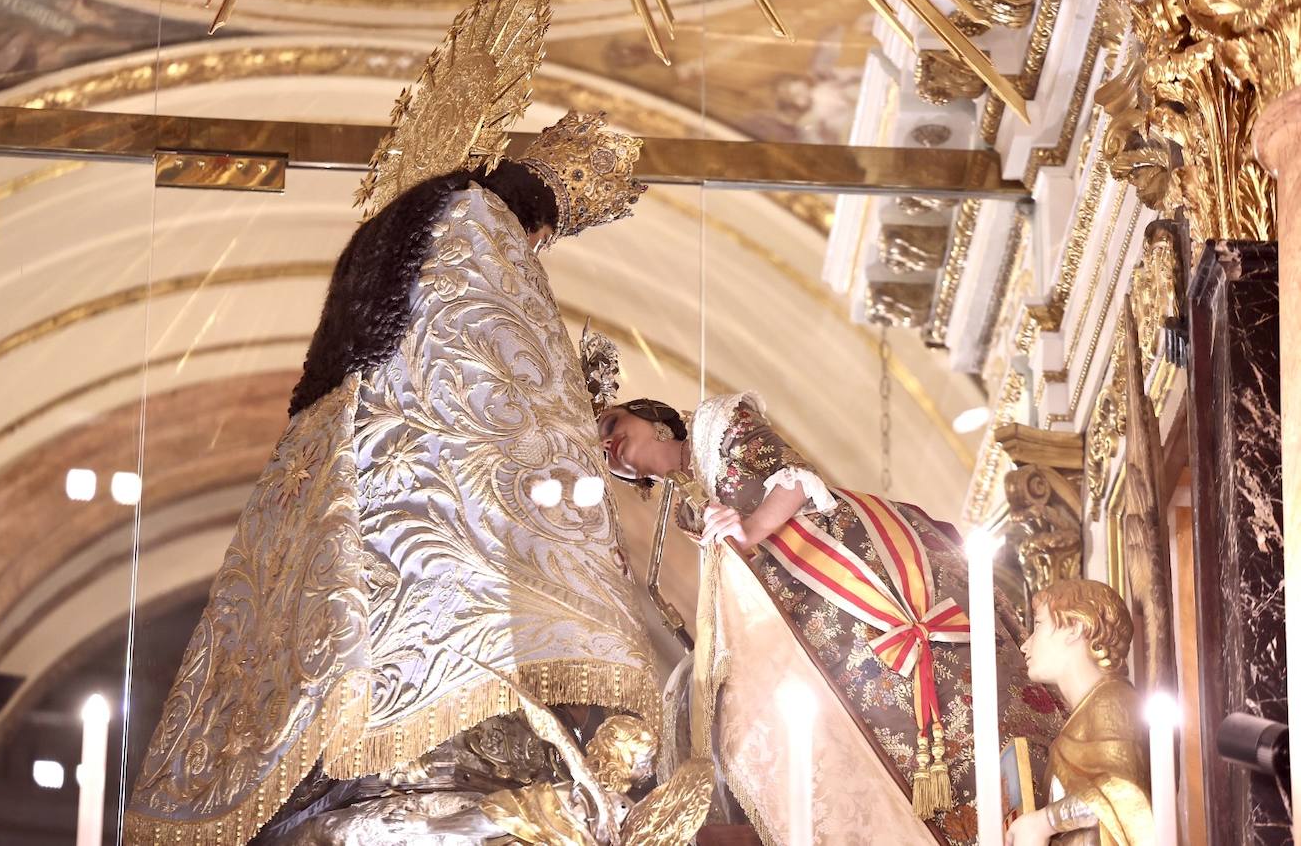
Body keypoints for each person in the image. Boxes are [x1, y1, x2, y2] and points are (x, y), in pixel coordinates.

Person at [124, 109, 658, 846]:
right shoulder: (484, 227)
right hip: (438, 481)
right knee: (453, 597)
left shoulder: (409, 234)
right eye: (545, 236)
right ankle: (426, 744)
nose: (537, 251)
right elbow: (506, 374)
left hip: (372, 469)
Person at [597, 392, 1066, 846]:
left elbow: (797, 478)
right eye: (599, 447)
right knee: (878, 725)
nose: (608, 442)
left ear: (652, 417)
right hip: (807, 618)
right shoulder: (682, 508)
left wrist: (750, 529)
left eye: (612, 423)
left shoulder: (718, 425)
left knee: (945, 679)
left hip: (849, 567)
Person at [1004, 579, 1152, 846]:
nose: (1026, 645)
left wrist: (1043, 822)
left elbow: (1123, 793)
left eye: (1038, 625)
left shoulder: (1113, 701)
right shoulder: (1086, 712)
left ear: (1075, 627)